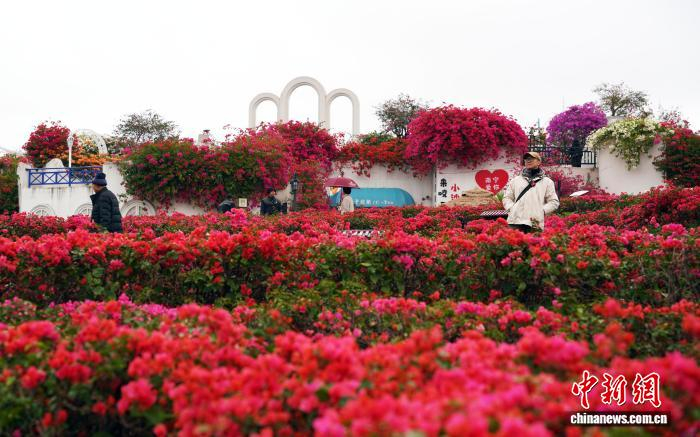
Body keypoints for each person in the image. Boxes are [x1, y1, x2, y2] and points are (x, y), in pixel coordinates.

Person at [502, 152, 559, 232]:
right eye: (526, 159)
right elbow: (507, 198)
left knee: (534, 240)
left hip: (535, 222)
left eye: (532, 158)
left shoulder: (547, 182)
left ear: (539, 162)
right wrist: (512, 208)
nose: (528, 160)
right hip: (515, 221)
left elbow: (554, 202)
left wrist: (542, 211)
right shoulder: (515, 180)